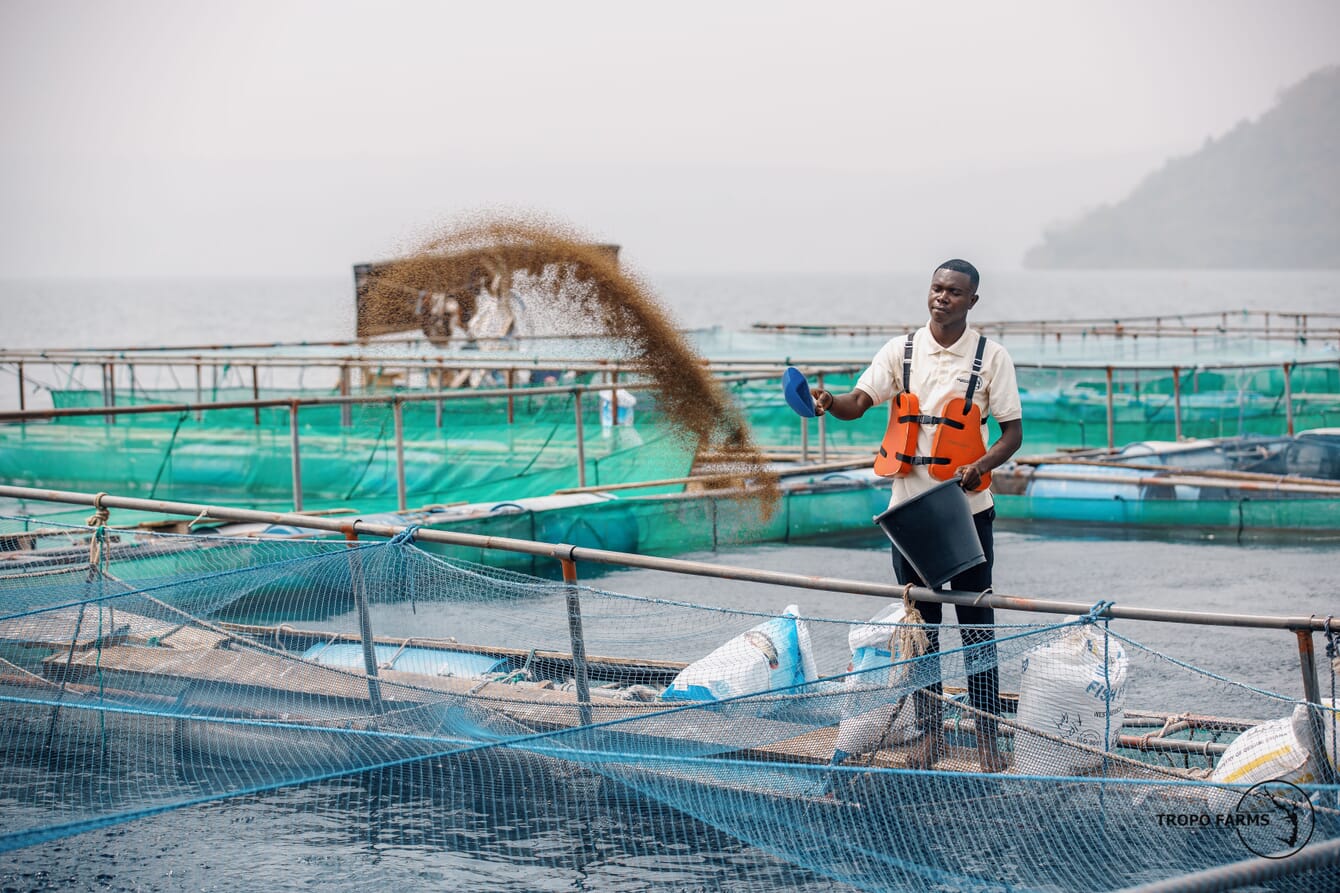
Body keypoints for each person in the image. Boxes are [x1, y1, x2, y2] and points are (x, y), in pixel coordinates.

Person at [811, 259, 1023, 772]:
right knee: (920, 629)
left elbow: (1012, 434)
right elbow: (858, 401)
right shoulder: (900, 351)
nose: (942, 298)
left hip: (966, 513)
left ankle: (987, 738)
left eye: (954, 292)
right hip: (908, 514)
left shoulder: (991, 358)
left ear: (972, 301)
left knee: (976, 627)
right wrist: (829, 400)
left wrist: (981, 466)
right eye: (936, 288)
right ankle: (931, 737)